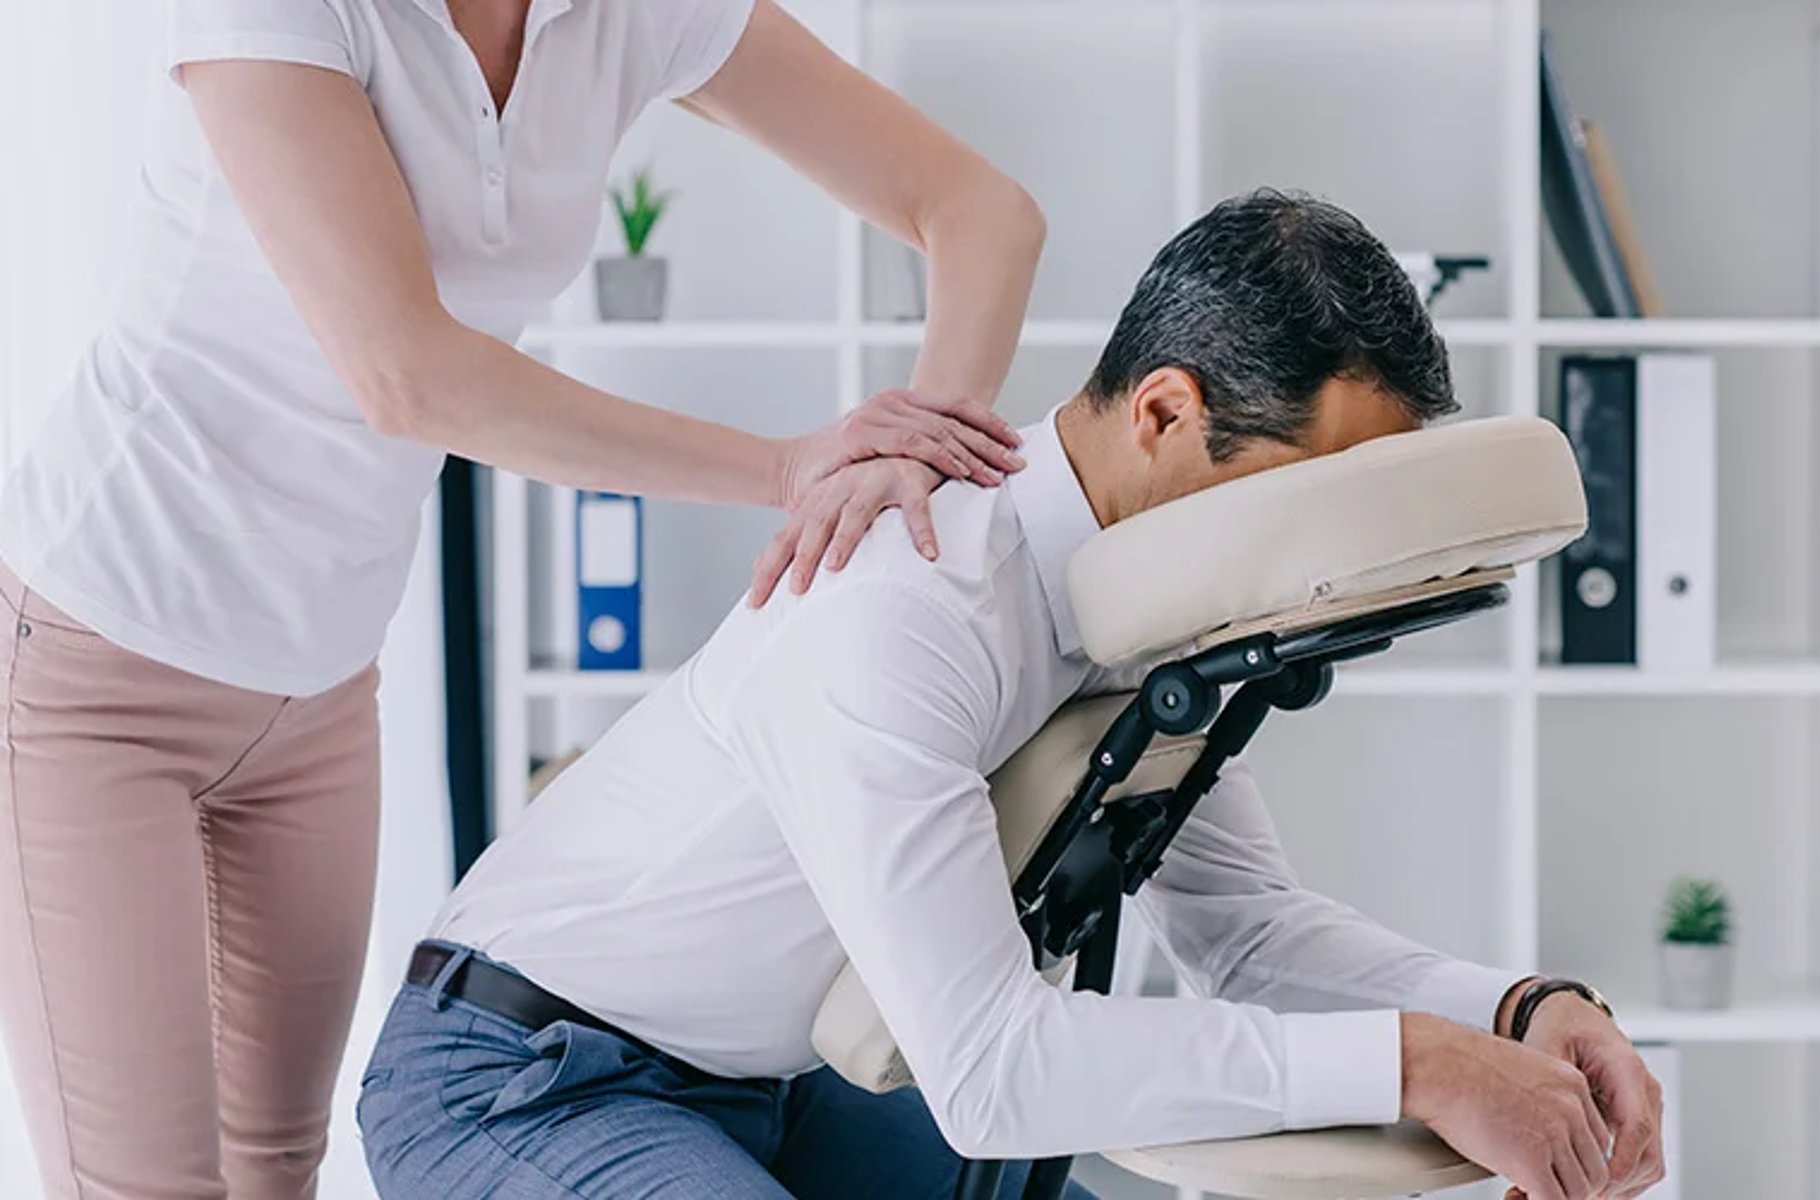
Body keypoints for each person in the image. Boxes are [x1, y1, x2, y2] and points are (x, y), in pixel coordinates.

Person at [356, 191, 1668, 1200]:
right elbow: (990, 1073)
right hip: (525, 1078)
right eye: (1304, 491)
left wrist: (1515, 1012)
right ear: (1164, 413)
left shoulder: (1160, 619)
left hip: (771, 1079)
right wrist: (1417, 1063)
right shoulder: (907, 604)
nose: (1320, 556)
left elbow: (1249, 937)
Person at [0, 1, 1044, 1195]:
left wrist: (912, 467)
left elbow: (980, 212)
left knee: (277, 1165)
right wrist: (786, 468)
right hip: (98, 666)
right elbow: (408, 373)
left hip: (322, 688)